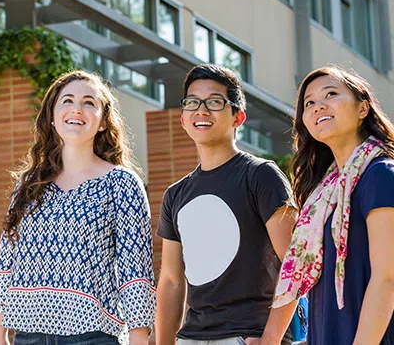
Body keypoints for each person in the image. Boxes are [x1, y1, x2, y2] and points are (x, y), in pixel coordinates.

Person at [0, 70, 156, 345]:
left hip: (93, 335)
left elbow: (135, 270)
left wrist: (139, 338)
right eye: (67, 100)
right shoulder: (29, 184)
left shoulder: (122, 184)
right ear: (52, 118)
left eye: (89, 102)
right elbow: (7, 261)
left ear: (103, 121)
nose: (77, 109)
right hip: (28, 336)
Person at [155, 64, 298, 345]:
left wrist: (270, 339)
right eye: (192, 102)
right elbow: (171, 281)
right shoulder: (175, 194)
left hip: (248, 336)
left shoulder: (262, 175)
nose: (202, 110)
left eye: (215, 102)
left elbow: (294, 263)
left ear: (238, 117)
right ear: (183, 119)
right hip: (191, 338)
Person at [269, 66, 394, 344]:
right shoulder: (323, 195)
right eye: (309, 102)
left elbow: (388, 279)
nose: (318, 106)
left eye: (331, 94)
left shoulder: (381, 175)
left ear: (363, 109)